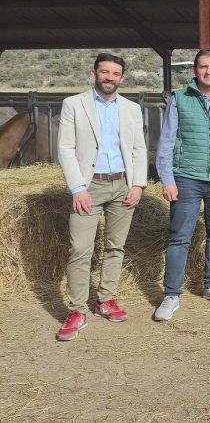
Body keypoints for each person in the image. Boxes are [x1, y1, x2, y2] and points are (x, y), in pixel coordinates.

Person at [56, 53, 147, 341]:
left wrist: (139, 185)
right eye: (104, 72)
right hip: (89, 187)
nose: (110, 77)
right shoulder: (74, 104)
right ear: (93, 73)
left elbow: (138, 149)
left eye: (115, 73)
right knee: (80, 249)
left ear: (122, 77)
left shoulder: (131, 108)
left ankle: (106, 299)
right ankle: (77, 310)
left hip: (122, 185)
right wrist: (77, 188)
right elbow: (66, 148)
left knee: (115, 247)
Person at [153, 49, 210, 321]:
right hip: (187, 178)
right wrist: (167, 179)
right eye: (204, 67)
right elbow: (167, 142)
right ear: (195, 71)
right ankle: (171, 294)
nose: (209, 71)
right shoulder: (180, 99)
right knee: (180, 236)